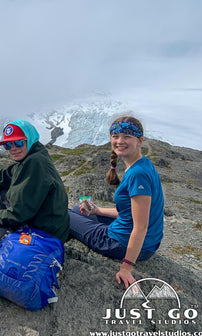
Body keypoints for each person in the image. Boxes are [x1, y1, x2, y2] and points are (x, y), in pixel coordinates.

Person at [68, 116, 164, 289]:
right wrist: (98, 211)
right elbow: (131, 211)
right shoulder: (143, 164)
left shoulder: (137, 174)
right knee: (77, 209)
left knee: (64, 214)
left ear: (139, 140)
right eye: (116, 136)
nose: (120, 141)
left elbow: (140, 226)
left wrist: (126, 267)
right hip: (148, 242)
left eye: (127, 136)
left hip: (120, 242)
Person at [0, 120, 70, 246]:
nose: (13, 149)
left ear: (29, 140)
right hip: (39, 223)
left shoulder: (34, 164)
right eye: (8, 145)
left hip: (38, 237)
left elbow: (19, 214)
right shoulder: (31, 157)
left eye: (19, 143)